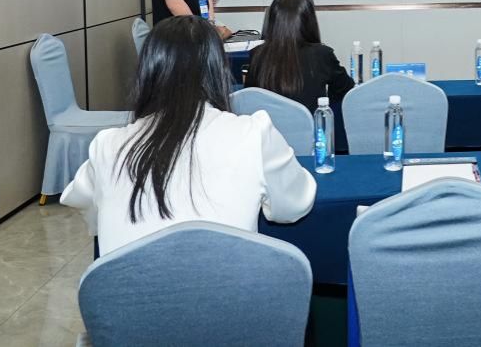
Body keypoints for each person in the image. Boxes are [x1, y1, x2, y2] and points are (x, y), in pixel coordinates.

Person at [61, 16, 315, 254]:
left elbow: (81, 201)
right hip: (229, 286)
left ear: (147, 72)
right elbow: (293, 206)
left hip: (127, 286)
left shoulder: (108, 145)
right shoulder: (253, 134)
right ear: (218, 71)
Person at [246, 0, 354, 112]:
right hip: (312, 124)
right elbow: (346, 89)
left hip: (268, 124)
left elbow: (249, 99)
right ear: (309, 22)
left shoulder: (257, 54)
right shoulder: (322, 54)